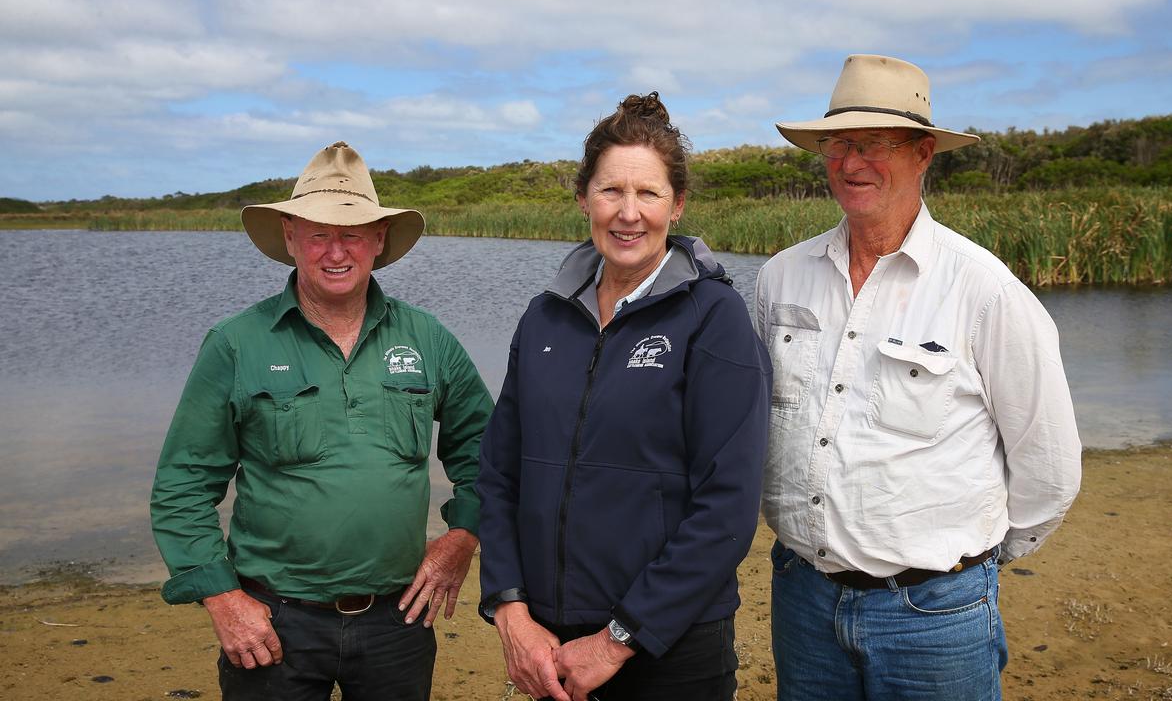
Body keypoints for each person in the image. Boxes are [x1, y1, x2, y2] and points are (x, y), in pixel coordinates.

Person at [756, 55, 1083, 700]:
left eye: (874, 144)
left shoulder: (983, 289)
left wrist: (969, 564)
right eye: (838, 145)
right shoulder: (780, 278)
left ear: (923, 152)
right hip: (802, 600)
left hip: (936, 618)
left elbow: (1049, 464)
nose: (852, 163)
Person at [150, 141, 493, 701]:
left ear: (379, 240)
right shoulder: (237, 343)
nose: (337, 251)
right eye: (318, 233)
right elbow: (183, 484)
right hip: (272, 620)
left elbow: (488, 451)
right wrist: (222, 598)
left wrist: (462, 536)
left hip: (399, 621)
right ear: (290, 238)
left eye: (353, 233)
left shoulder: (429, 339)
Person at [476, 92, 771, 701]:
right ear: (584, 198)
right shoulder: (543, 319)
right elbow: (499, 475)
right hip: (548, 644)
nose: (628, 213)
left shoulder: (714, 318)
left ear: (678, 204)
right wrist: (508, 608)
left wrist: (618, 639)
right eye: (611, 191)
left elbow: (729, 508)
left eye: (649, 194)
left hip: (671, 647)